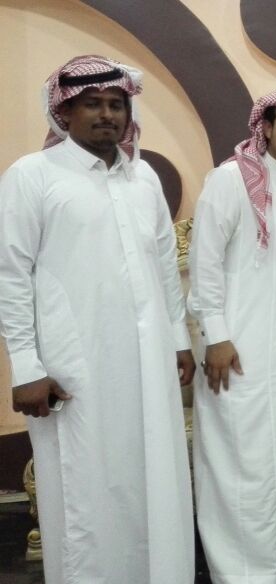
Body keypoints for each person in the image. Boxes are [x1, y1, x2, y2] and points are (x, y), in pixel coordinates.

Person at [0, 55, 194, 583]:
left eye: (116, 104)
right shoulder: (32, 175)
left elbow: (162, 264)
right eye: (93, 104)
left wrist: (178, 340)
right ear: (64, 111)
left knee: (152, 478)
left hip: (148, 361)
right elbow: (10, 275)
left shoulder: (143, 176)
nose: (107, 114)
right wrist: (26, 367)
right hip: (73, 366)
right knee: (84, 486)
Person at [188, 90, 276, 583]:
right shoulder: (229, 180)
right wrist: (216, 336)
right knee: (241, 460)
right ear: (265, 128)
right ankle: (242, 570)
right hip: (237, 349)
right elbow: (204, 263)